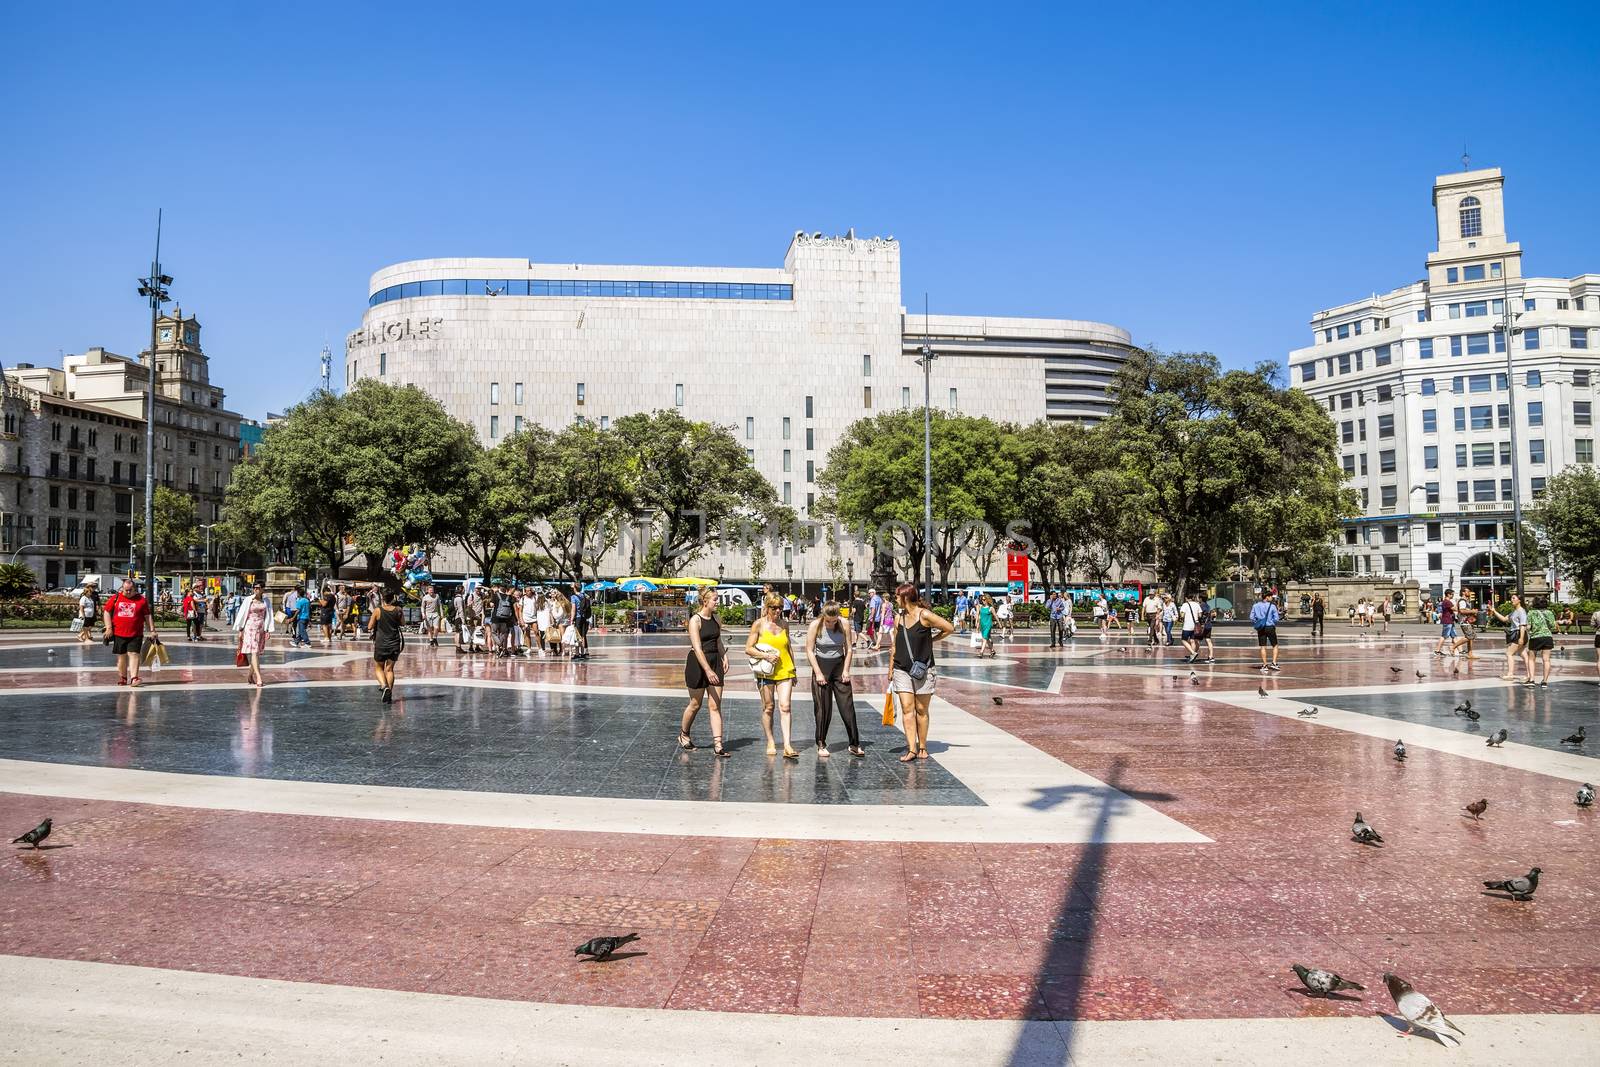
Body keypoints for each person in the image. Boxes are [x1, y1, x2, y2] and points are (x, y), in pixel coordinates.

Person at [886, 582, 955, 763]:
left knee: (921, 709)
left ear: (906, 597)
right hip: (902, 669)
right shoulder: (898, 618)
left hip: (924, 668)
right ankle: (912, 748)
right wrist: (891, 667)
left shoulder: (924, 615)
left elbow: (949, 628)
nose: (895, 599)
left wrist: (932, 639)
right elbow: (894, 645)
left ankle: (923, 745)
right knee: (907, 709)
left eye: (896, 596)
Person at [806, 601, 862, 758]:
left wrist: (846, 670)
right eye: (828, 620)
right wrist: (817, 672)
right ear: (823, 616)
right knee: (823, 708)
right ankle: (821, 743)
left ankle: (854, 743)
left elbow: (849, 648)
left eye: (834, 620)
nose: (831, 623)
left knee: (847, 706)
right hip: (821, 666)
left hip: (839, 665)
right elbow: (809, 651)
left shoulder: (844, 623)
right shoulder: (815, 625)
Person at [680, 589, 732, 756]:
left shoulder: (717, 618)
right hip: (698, 663)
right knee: (695, 704)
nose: (717, 602)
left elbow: (718, 641)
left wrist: (724, 657)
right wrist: (707, 670)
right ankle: (684, 734)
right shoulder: (695, 620)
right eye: (715, 600)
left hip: (714, 661)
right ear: (705, 601)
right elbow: (697, 648)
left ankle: (718, 745)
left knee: (715, 705)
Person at [745, 593, 798, 757]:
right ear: (767, 608)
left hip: (785, 669)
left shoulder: (784, 624)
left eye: (780, 607)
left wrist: (794, 669)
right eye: (774, 608)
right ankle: (770, 741)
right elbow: (748, 648)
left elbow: (788, 647)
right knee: (768, 707)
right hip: (765, 671)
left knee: (785, 706)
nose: (777, 611)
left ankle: (788, 745)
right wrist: (766, 656)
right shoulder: (758, 625)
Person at [102, 577, 156, 686]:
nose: (127, 592)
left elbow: (147, 616)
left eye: (130, 590)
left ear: (135, 589)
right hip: (118, 633)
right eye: (125, 589)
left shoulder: (141, 600)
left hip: (135, 633)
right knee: (121, 657)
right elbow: (106, 612)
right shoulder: (116, 598)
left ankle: (134, 678)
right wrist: (108, 628)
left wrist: (152, 630)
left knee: (134, 654)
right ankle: (123, 677)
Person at [232, 581, 275, 688]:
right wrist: (240, 630)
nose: (256, 589)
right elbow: (242, 614)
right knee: (254, 652)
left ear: (263, 589)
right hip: (249, 627)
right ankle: (259, 677)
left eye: (258, 587)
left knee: (256, 653)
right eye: (254, 587)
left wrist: (268, 630)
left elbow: (269, 615)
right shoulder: (248, 600)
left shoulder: (266, 601)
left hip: (260, 628)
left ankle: (250, 675)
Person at [371, 587, 405, 703]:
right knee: (389, 669)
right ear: (393, 598)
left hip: (381, 643)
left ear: (382, 598)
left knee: (379, 667)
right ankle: (389, 693)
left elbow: (370, 626)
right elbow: (403, 623)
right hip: (394, 642)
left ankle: (384, 687)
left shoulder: (378, 610)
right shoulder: (398, 610)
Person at [1484, 593, 1528, 682]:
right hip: (1517, 633)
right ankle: (1529, 674)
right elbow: (1504, 619)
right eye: (1511, 598)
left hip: (1519, 633)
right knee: (1523, 654)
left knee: (1509, 653)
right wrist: (1494, 611)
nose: (1511, 600)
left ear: (1519, 600)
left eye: (1513, 598)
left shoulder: (1521, 611)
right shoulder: (1514, 611)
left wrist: (1521, 638)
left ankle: (1510, 674)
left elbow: (1523, 625)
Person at [1522, 596, 1556, 689]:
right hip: (1547, 637)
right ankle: (1545, 681)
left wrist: (1527, 630)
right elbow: (1553, 626)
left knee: (1531, 659)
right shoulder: (1549, 613)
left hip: (1535, 637)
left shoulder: (1531, 613)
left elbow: (1528, 627)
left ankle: (1532, 679)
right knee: (1546, 659)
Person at [1250, 593, 1281, 673]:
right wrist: (1271, 621)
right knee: (1275, 645)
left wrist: (1258, 622)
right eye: (1271, 597)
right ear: (1267, 597)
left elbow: (1252, 617)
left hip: (1261, 628)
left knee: (1263, 646)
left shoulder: (1256, 606)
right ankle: (1274, 663)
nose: (1272, 598)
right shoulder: (1272, 606)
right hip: (1270, 627)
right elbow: (1277, 618)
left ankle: (1265, 665)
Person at [1450, 591, 1479, 659]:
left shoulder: (1465, 601)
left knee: (1471, 637)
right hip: (1464, 621)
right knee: (1469, 636)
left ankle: (1470, 654)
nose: (1469, 592)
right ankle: (1453, 647)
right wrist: (1472, 611)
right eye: (1467, 591)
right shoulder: (1462, 601)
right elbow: (1462, 611)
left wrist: (1471, 611)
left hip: (1467, 621)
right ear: (1463, 592)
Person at [1179, 590, 1204, 663]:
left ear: (1186, 598)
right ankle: (1192, 656)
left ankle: (1193, 653)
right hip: (1195, 625)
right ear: (1193, 597)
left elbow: (1182, 615)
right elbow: (1200, 615)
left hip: (1187, 625)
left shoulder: (1185, 605)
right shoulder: (1197, 604)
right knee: (1192, 641)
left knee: (1184, 640)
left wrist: (1181, 615)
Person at [570, 583, 592, 660]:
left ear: (575, 588)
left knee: (577, 636)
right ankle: (583, 653)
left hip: (578, 618)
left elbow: (573, 609)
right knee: (583, 635)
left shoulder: (573, 597)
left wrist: (571, 619)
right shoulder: (585, 595)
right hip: (585, 618)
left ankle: (577, 653)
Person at [1433, 589, 1458, 656]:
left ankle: (1459, 650)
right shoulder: (1447, 602)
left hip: (1450, 621)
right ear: (1448, 594)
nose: (1453, 595)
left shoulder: (1445, 601)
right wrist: (1457, 602)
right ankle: (1437, 650)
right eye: (1452, 594)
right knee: (1444, 636)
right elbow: (1455, 609)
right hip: (1448, 621)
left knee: (1454, 636)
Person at [76, 579, 100, 644]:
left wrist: (97, 610)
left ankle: (82, 635)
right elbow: (81, 606)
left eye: (94, 587)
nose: (93, 588)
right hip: (86, 614)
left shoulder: (94, 594)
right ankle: (86, 637)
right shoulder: (84, 596)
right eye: (92, 587)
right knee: (86, 626)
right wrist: (82, 614)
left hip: (92, 613)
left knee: (91, 625)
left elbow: (97, 602)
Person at [419, 583, 443, 648]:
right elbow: (422, 607)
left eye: (432, 590)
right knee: (429, 629)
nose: (431, 592)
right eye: (430, 590)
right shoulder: (425, 597)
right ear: (427, 591)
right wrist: (423, 614)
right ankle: (431, 641)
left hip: (435, 614)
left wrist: (442, 614)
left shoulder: (437, 596)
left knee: (436, 627)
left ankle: (435, 638)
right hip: (428, 614)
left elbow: (439, 605)